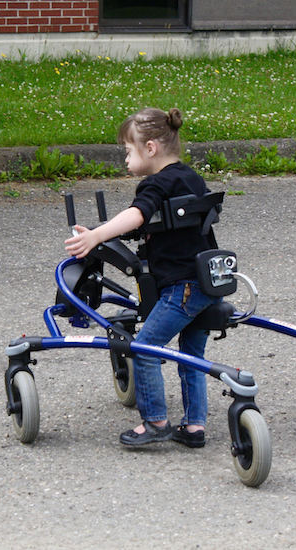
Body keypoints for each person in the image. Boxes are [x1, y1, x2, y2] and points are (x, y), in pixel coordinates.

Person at [64, 107, 220, 447]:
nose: (125, 159)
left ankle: (155, 422)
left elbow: (136, 215)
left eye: (128, 151)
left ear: (150, 148)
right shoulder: (190, 178)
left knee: (145, 348)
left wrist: (97, 236)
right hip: (208, 281)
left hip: (181, 288)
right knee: (191, 356)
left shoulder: (155, 184)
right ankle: (194, 427)